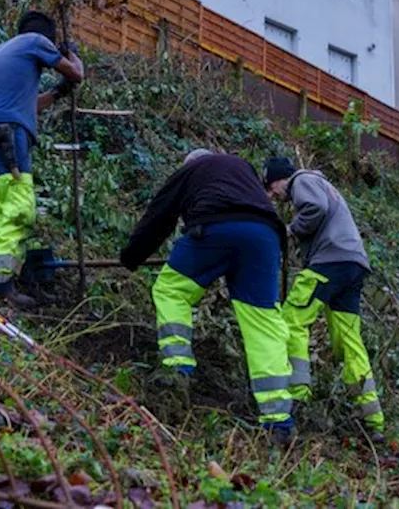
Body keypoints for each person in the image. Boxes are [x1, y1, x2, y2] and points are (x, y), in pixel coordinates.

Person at [120, 149, 295, 439]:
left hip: (214, 228)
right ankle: (278, 420)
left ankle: (177, 369)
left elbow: (160, 216)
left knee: (171, 290)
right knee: (263, 322)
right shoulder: (243, 167)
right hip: (264, 237)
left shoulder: (191, 169)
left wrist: (131, 257)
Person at [262, 156, 385, 440]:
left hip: (329, 261)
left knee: (292, 320)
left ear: (282, 179)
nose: (273, 195)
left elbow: (314, 209)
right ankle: (372, 419)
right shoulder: (325, 185)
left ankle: (297, 395)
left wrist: (288, 232)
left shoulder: (301, 181)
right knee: (348, 339)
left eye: (271, 188)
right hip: (353, 265)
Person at [0, 11, 84, 304]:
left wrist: (58, 93)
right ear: (47, 38)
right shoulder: (35, 41)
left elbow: (30, 105)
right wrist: (70, 52)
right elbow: (76, 73)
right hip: (9, 130)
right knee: (21, 205)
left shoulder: (1, 53)